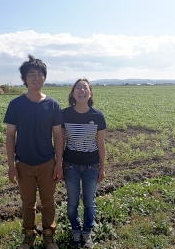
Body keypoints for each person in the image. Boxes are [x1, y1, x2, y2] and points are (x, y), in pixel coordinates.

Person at [3, 55, 64, 249]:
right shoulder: (15, 105)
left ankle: (49, 235)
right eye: (32, 75)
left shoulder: (53, 104)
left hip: (47, 162)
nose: (36, 78)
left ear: (44, 78)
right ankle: (29, 235)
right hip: (24, 164)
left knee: (48, 201)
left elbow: (58, 136)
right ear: (25, 79)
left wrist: (58, 163)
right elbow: (10, 136)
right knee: (27, 203)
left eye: (40, 74)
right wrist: (11, 166)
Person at [62, 78, 106, 248]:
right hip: (70, 165)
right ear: (73, 93)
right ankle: (75, 231)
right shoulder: (65, 114)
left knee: (89, 202)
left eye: (85, 88)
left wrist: (102, 168)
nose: (82, 90)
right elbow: (60, 139)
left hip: (91, 166)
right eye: (78, 87)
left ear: (90, 93)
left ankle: (87, 232)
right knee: (72, 202)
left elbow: (101, 144)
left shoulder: (98, 116)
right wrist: (59, 164)